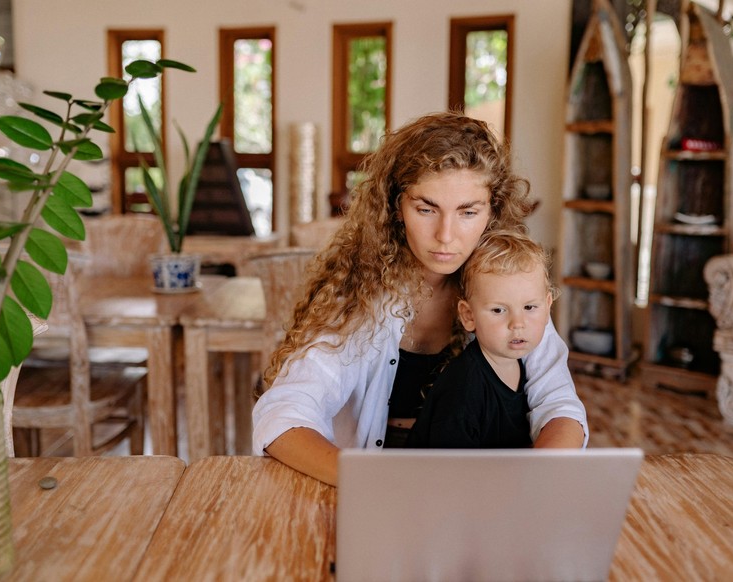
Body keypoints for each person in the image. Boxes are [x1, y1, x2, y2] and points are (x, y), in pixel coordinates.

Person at [252, 111, 588, 486]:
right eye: (426, 209)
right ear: (397, 208)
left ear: (492, 210)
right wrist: (377, 482)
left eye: (468, 212)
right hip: (372, 485)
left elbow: (558, 405)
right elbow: (283, 415)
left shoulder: (506, 288)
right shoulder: (359, 294)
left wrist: (530, 480)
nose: (445, 235)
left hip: (484, 490)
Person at [406, 230, 556, 448]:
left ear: (548, 307)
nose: (518, 323)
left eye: (529, 307)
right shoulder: (463, 389)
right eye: (498, 310)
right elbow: (449, 474)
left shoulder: (518, 363)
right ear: (468, 316)